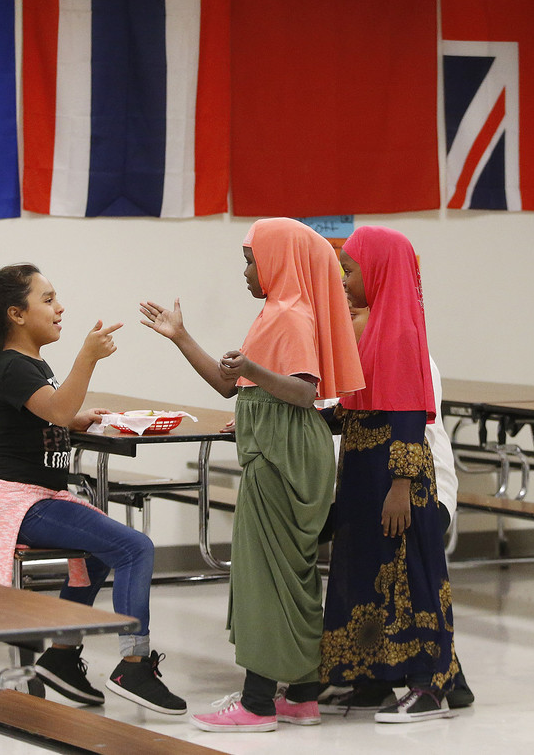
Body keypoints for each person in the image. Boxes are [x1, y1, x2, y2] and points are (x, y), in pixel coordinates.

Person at [141, 217, 363, 733]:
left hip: (281, 450)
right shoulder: (278, 311)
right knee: (291, 573)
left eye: (250, 259)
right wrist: (181, 337)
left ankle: (258, 703)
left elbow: (304, 391)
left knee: (264, 574)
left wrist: (255, 379)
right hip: (284, 442)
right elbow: (228, 384)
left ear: (278, 260)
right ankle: (302, 696)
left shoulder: (288, 313)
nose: (244, 271)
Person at [0, 263, 186, 714]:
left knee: (103, 552)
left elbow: (51, 412)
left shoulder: (25, 364)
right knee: (135, 548)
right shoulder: (10, 366)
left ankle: (60, 657)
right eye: (48, 299)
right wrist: (87, 359)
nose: (60, 308)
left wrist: (74, 417)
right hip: (21, 505)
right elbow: (58, 411)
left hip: (34, 498)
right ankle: (134, 663)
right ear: (16, 315)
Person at [318, 225, 460, 723]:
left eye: (351, 270)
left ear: (379, 271)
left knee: (408, 578)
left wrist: (401, 487)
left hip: (393, 478)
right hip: (363, 471)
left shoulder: (399, 330)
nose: (344, 280)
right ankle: (373, 676)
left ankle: (426, 685)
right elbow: (355, 407)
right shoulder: (373, 330)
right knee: (367, 575)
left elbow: (406, 414)